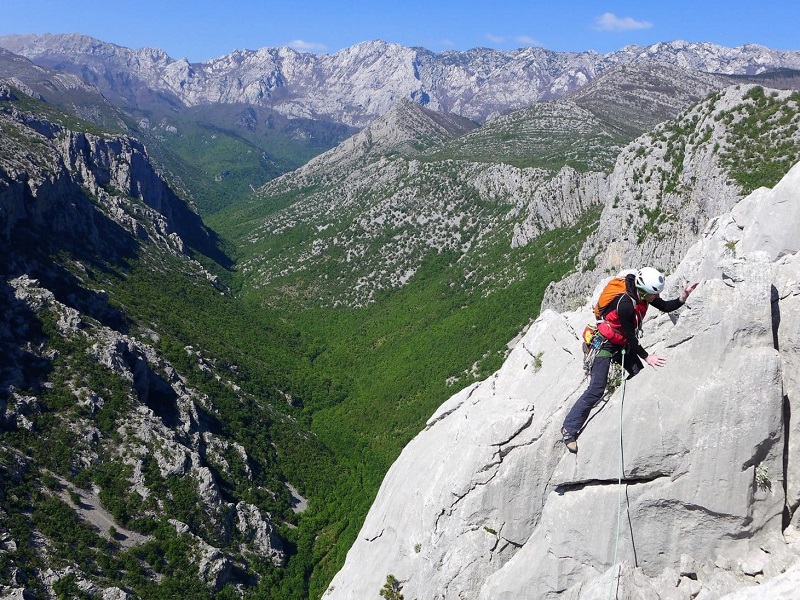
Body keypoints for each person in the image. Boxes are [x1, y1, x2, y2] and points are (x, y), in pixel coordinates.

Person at [561, 267, 698, 453]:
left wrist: (683, 297)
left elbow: (665, 306)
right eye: (653, 294)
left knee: (637, 373)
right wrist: (647, 356)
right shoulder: (625, 304)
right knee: (596, 389)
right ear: (643, 291)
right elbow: (630, 337)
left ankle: (625, 410)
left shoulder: (643, 294)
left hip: (621, 341)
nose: (655, 297)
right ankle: (569, 428)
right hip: (606, 343)